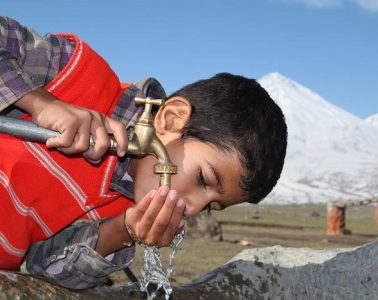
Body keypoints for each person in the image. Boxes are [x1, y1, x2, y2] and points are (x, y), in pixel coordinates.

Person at [0, 16, 287, 289]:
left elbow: (44, 270)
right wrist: (40, 103)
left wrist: (122, 231)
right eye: (203, 178)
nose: (193, 209)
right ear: (171, 119)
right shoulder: (73, 74)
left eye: (210, 206)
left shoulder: (121, 209)